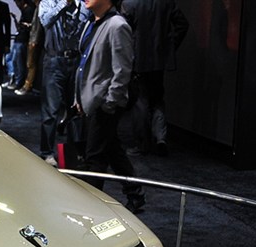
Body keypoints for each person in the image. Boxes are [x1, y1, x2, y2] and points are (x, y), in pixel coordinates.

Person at [75, 0, 146, 213]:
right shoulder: (91, 23)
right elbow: (84, 65)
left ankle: (91, 209)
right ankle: (135, 194)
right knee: (111, 148)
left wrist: (110, 102)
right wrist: (79, 98)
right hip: (91, 101)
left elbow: (122, 70)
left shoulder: (117, 25)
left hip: (104, 104)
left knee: (95, 157)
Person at [121, 0, 189, 156]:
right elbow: (182, 24)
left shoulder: (130, 3)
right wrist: (169, 47)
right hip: (159, 60)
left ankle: (142, 144)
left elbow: (123, 32)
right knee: (158, 98)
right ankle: (161, 139)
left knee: (140, 101)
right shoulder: (166, 2)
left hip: (138, 60)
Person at [38, 0, 90, 165]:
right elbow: (45, 21)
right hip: (54, 60)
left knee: (75, 109)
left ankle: (75, 151)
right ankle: (47, 152)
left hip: (76, 60)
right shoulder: (48, 3)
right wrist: (63, 4)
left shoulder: (83, 6)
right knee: (51, 110)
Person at [15, 0, 43, 96]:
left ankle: (28, 86)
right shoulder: (37, 8)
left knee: (30, 64)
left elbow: (37, 27)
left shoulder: (40, 8)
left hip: (34, 40)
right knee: (30, 64)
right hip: (33, 39)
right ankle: (29, 85)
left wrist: (34, 41)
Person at [6, 0, 36, 90]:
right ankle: (15, 80)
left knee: (19, 62)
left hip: (23, 40)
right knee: (13, 60)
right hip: (19, 38)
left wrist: (26, 25)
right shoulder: (24, 10)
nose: (17, 4)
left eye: (17, 2)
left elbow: (32, 26)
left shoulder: (29, 10)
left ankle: (19, 82)